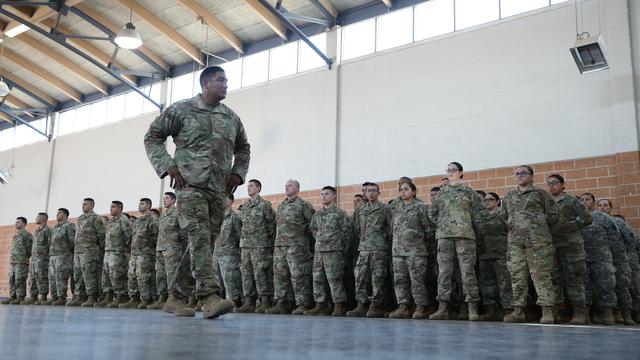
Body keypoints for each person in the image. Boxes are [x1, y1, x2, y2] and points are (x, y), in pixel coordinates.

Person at [144, 65, 250, 319]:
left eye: (226, 81)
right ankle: (209, 297)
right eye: (220, 80)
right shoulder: (182, 109)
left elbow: (243, 147)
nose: (225, 85)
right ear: (205, 83)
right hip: (189, 185)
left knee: (202, 242)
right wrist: (167, 166)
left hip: (218, 188)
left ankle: (176, 297)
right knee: (200, 236)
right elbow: (153, 137)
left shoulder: (231, 117)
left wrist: (238, 172)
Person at [500, 166, 558, 324]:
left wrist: (536, 228)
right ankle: (518, 311)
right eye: (517, 174)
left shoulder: (541, 194)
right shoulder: (509, 196)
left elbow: (553, 216)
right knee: (517, 275)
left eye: (523, 173)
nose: (519, 176)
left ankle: (547, 311)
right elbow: (503, 217)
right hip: (515, 242)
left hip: (537, 241)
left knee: (541, 275)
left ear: (532, 176)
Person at [429, 162, 483, 321]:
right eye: (448, 170)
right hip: (444, 237)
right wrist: (443, 225)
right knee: (444, 273)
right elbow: (432, 214)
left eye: (453, 170)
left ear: (461, 173)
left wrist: (464, 224)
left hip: (464, 236)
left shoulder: (469, 192)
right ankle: (443, 308)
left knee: (467, 272)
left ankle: (472, 308)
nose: (450, 172)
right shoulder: (441, 193)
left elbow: (478, 213)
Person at [546, 174, 592, 324]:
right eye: (549, 183)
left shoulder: (572, 201)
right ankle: (558, 311)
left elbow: (587, 219)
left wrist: (573, 225)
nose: (552, 186)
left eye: (555, 183)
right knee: (554, 280)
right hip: (552, 246)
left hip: (571, 246)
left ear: (562, 185)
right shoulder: (546, 203)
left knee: (574, 279)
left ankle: (580, 311)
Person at [267, 180, 315, 315]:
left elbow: (313, 225)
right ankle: (282, 303)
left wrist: (303, 242)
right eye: (286, 185)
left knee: (298, 276)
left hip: (297, 247)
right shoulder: (281, 205)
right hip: (280, 246)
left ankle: (303, 304)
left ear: (297, 189)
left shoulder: (304, 205)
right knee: (280, 275)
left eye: (290, 185)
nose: (286, 187)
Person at [388, 182, 434, 319]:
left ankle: (420, 306)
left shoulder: (420, 207)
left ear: (414, 192)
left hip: (416, 251)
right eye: (401, 190)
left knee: (417, 280)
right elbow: (392, 229)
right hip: (398, 251)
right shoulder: (396, 209)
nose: (403, 192)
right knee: (399, 280)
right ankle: (403, 307)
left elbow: (429, 229)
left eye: (406, 189)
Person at [305, 186, 352, 316]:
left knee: (335, 279)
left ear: (334, 196)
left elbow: (346, 232)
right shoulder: (318, 214)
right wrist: (321, 241)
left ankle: (339, 305)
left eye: (326, 194)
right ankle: (321, 305)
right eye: (322, 194)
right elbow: (313, 230)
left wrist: (338, 245)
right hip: (319, 251)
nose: (323, 196)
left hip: (334, 251)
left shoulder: (340, 213)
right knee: (317, 278)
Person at [348, 182, 392, 318]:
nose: (371, 193)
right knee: (360, 277)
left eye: (374, 190)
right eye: (368, 191)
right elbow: (355, 228)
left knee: (377, 278)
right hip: (364, 249)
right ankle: (361, 304)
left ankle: (376, 305)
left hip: (379, 249)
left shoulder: (385, 209)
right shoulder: (360, 210)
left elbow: (391, 229)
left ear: (379, 193)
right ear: (365, 194)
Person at [236, 179, 276, 313]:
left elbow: (271, 226)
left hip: (260, 245)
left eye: (251, 186)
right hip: (245, 245)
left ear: (258, 188)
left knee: (260, 273)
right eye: (248, 186)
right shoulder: (244, 206)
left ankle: (265, 301)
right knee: (246, 273)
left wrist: (266, 242)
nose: (248, 188)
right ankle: (249, 302)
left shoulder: (264, 205)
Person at [579, 193, 618, 325]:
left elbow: (614, 236)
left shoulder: (602, 217)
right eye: (582, 200)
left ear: (593, 203)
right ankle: (586, 314)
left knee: (605, 285)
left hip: (601, 257)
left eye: (587, 199)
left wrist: (610, 253)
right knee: (585, 286)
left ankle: (607, 314)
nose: (584, 202)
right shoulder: (577, 219)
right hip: (583, 257)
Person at [597, 199, 635, 325]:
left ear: (610, 208)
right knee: (608, 286)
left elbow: (630, 238)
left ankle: (627, 314)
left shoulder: (618, 222)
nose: (602, 208)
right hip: (604, 258)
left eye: (605, 205)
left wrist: (623, 251)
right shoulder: (595, 222)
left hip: (619, 258)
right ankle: (614, 313)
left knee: (622, 286)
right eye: (600, 205)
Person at [476, 192, 513, 321]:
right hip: (484, 255)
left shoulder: (504, 214)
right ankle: (491, 309)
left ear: (498, 201)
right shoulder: (480, 216)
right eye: (485, 200)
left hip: (501, 254)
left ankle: (508, 310)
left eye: (490, 200)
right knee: (487, 285)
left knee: (504, 284)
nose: (487, 202)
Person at [120, 198, 158, 309]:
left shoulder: (153, 220)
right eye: (139, 203)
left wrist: (152, 253)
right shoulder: (138, 221)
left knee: (144, 277)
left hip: (146, 254)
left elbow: (156, 238)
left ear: (149, 205)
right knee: (132, 276)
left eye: (142, 204)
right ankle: (134, 298)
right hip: (134, 254)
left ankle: (146, 299)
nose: (139, 205)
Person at [67, 198, 105, 307]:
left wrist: (96, 249)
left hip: (89, 251)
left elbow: (101, 236)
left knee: (89, 274)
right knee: (78, 275)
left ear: (92, 206)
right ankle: (79, 296)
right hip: (78, 251)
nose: (83, 206)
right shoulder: (80, 218)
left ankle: (91, 296)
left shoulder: (96, 218)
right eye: (82, 204)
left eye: (85, 204)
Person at [95, 201, 132, 308]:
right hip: (108, 251)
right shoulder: (111, 221)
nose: (111, 209)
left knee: (117, 275)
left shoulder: (123, 220)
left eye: (113, 207)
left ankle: (121, 296)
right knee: (106, 275)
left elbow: (129, 236)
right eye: (111, 206)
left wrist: (123, 251)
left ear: (120, 208)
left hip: (118, 252)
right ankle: (108, 295)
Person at [212, 193, 243, 307]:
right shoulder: (217, 217)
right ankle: (219, 303)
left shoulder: (235, 217)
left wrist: (237, 252)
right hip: (217, 252)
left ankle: (233, 302)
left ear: (230, 201)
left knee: (229, 279)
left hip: (229, 253)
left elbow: (239, 235)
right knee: (217, 279)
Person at [612, 214, 640, 323]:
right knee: (617, 286)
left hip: (631, 262)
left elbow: (635, 247)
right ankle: (619, 313)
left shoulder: (631, 235)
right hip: (616, 260)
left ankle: (636, 312)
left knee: (634, 287)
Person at [1, 217, 33, 305]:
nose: (16, 224)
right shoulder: (15, 236)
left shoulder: (27, 235)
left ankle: (20, 297)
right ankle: (12, 297)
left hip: (22, 262)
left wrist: (23, 257)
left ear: (24, 224)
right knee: (12, 279)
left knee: (20, 279)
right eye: (16, 222)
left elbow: (30, 250)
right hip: (13, 262)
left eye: (18, 222)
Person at [48, 208, 76, 306]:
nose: (57, 214)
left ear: (65, 215)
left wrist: (69, 255)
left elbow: (73, 242)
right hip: (53, 256)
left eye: (59, 213)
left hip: (64, 256)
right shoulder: (55, 227)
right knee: (52, 278)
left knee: (61, 277)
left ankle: (62, 297)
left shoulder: (69, 226)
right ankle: (54, 297)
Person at [25, 213, 51, 305]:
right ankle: (33, 296)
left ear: (43, 218)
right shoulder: (36, 231)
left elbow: (50, 245)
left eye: (37, 217)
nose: (36, 218)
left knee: (42, 277)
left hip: (43, 259)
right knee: (32, 278)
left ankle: (43, 296)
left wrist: (47, 257)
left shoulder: (47, 230)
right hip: (34, 259)